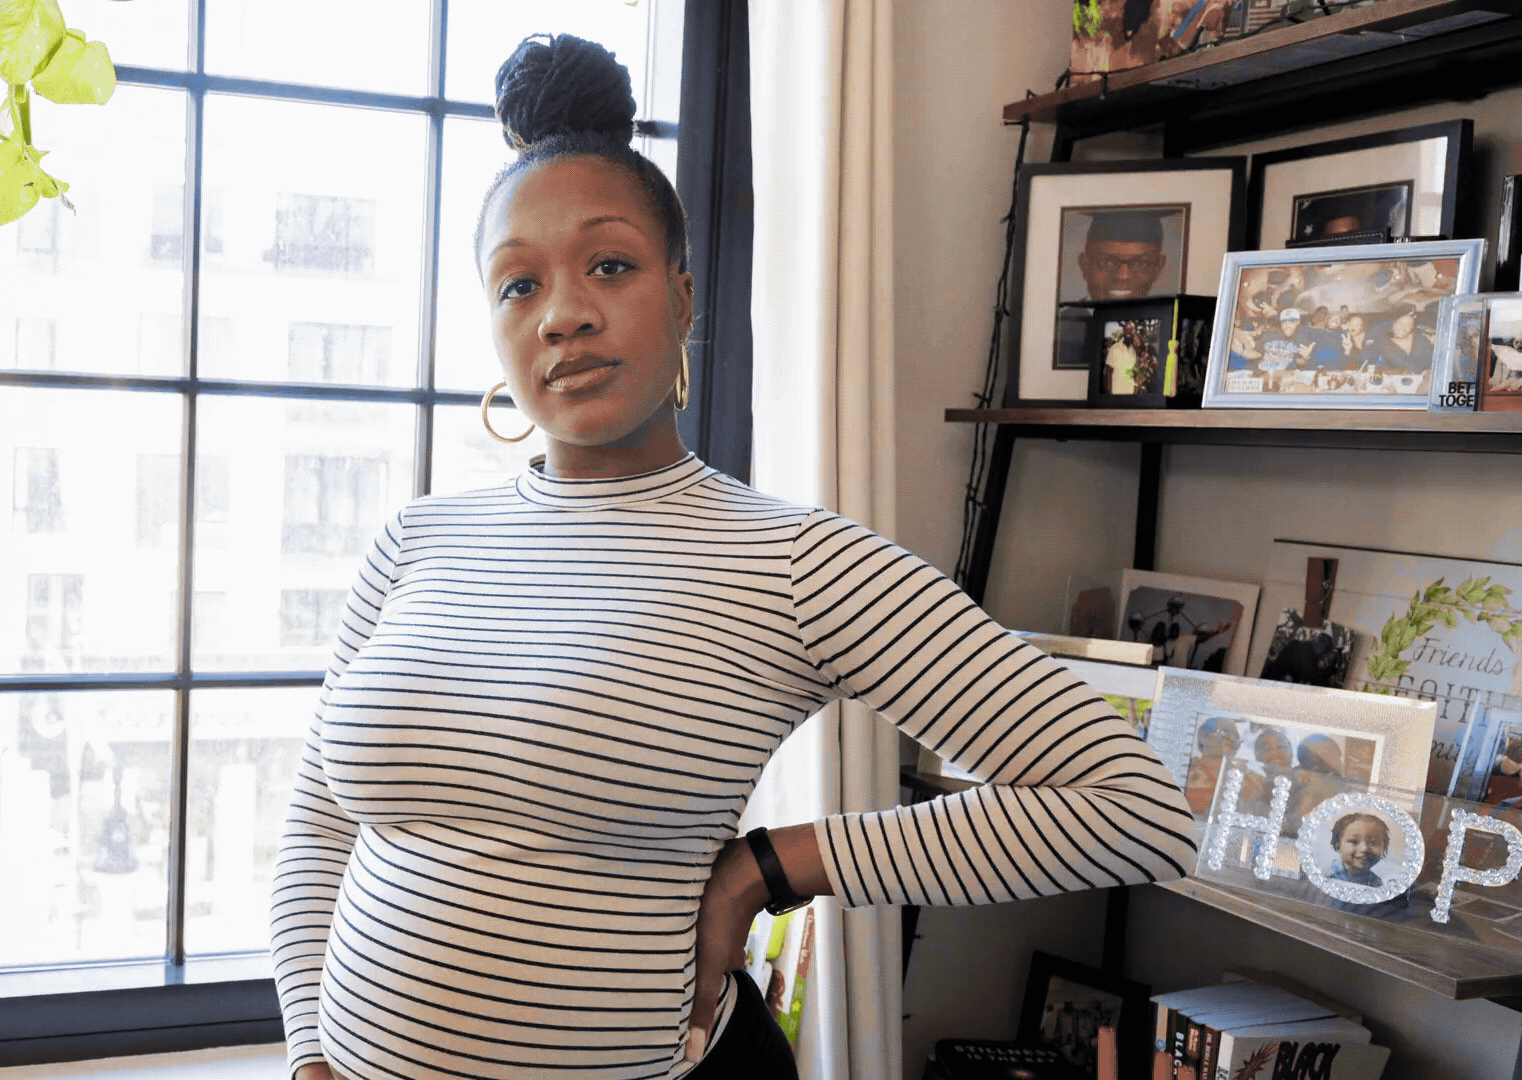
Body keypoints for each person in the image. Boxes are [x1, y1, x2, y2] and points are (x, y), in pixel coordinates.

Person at [269, 34, 1198, 1080]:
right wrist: (310, 1054)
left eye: (609, 265)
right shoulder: (414, 542)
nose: (564, 313)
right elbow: (317, 832)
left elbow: (1136, 810)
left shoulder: (791, 561)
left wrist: (770, 866)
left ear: (685, 300)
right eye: (516, 286)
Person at [1073, 208, 1175, 301]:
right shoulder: (1066, 319)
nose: (1123, 276)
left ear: (1159, 267)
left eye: (1139, 264)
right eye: (1107, 262)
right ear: (1084, 265)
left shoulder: (1170, 320)